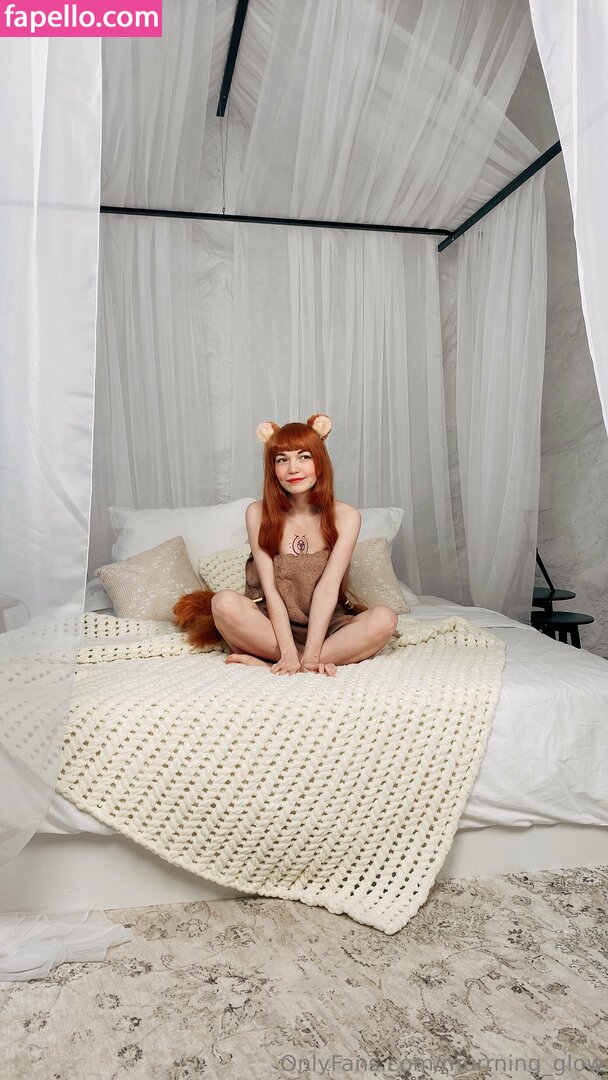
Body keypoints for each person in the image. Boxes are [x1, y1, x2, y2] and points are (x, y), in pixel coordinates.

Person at [209, 413, 398, 676]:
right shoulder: (257, 513)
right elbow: (271, 590)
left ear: (320, 461)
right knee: (222, 603)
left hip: (327, 627)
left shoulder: (346, 516)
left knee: (385, 619)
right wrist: (287, 651)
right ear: (272, 467)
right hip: (271, 626)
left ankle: (285, 661)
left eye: (304, 457)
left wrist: (310, 654)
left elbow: (328, 589)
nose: (293, 469)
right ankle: (291, 659)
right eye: (282, 460)